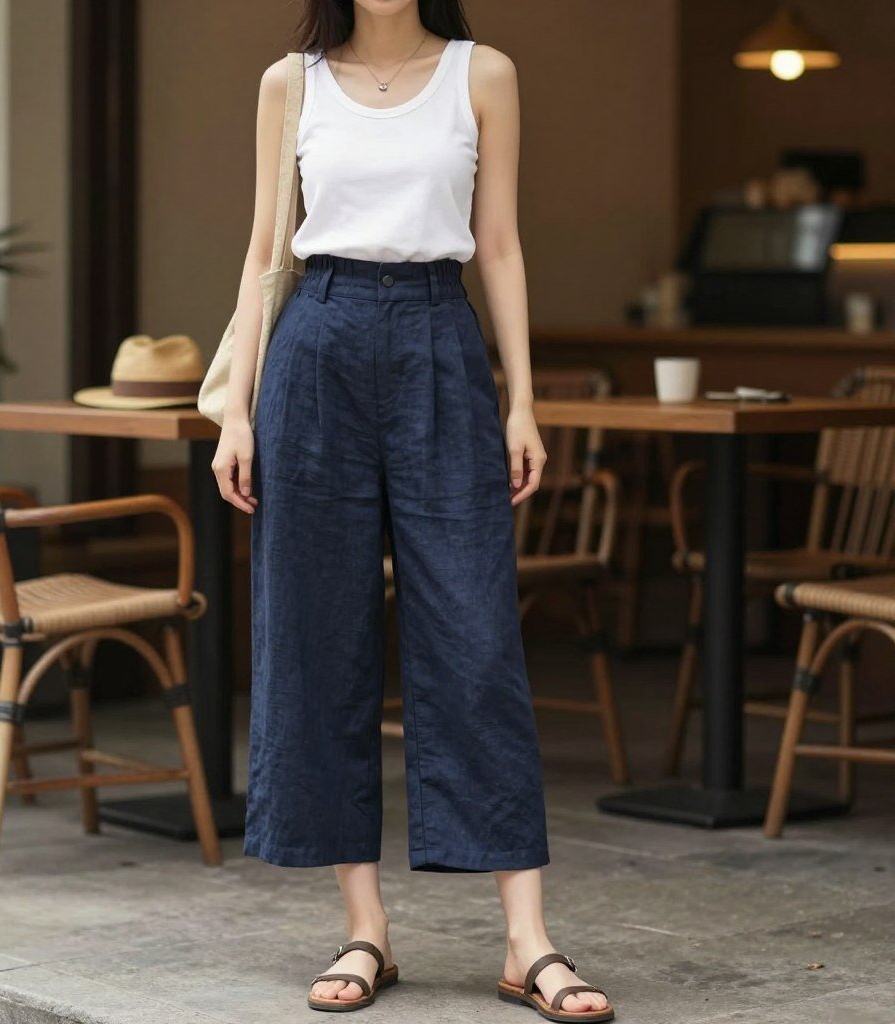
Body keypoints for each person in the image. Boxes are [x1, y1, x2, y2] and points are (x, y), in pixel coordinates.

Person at [211, 1, 614, 1020]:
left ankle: (528, 941)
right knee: (319, 635)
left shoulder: (483, 74)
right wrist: (239, 407)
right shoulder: (287, 82)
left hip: (440, 336)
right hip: (317, 342)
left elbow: (501, 246)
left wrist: (522, 398)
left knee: (476, 637)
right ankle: (364, 928)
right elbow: (268, 253)